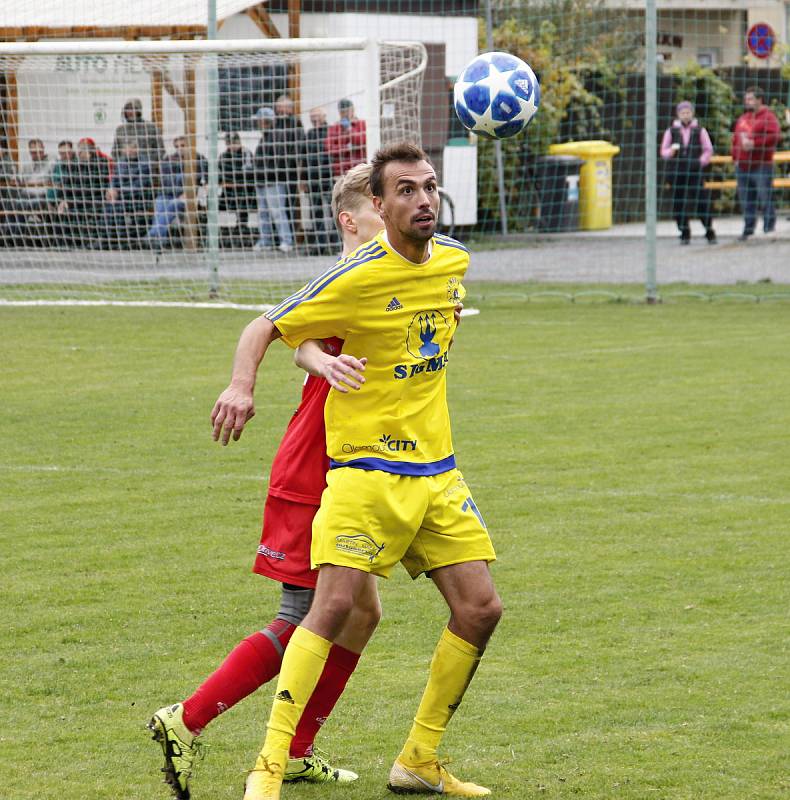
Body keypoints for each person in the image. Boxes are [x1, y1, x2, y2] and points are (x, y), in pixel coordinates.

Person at [211, 142, 500, 800]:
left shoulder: (456, 260)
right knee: (335, 604)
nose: (422, 199)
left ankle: (418, 760)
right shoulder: (358, 274)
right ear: (378, 204)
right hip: (364, 473)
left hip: (437, 473)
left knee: (481, 609)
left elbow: (432, 318)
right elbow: (270, 325)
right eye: (405, 190)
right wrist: (240, 386)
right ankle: (270, 766)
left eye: (429, 187)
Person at [148, 163, 386, 800]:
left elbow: (306, 338)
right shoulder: (342, 275)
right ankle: (185, 719)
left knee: (361, 613)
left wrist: (316, 353)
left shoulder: (385, 275)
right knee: (305, 616)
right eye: (381, 208)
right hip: (316, 468)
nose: (393, 218)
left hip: (358, 467)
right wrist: (242, 383)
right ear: (350, 220)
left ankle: (298, 748)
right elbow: (271, 326)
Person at [660, 101, 716, 245]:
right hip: (677, 171)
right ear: (678, 115)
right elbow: (663, 150)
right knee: (679, 203)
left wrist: (700, 161)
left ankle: (709, 229)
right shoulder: (671, 131)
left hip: (694, 170)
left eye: (688, 112)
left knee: (701, 201)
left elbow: (708, 149)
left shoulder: (700, 130)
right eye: (682, 113)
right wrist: (670, 152)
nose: (685, 115)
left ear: (692, 113)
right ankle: (684, 231)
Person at [732, 86, 781, 241]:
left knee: (765, 198)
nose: (747, 102)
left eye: (751, 99)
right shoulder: (743, 118)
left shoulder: (769, 117)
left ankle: (768, 228)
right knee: (746, 200)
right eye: (746, 99)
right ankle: (748, 229)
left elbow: (774, 137)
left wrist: (755, 143)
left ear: (760, 100)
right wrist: (735, 158)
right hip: (742, 166)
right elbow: (735, 139)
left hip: (761, 165)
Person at [145, 136, 208, 250]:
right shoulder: (168, 159)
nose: (180, 149)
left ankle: (153, 234)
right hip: (169, 193)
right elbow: (164, 181)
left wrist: (190, 191)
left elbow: (205, 179)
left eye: (183, 146)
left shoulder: (200, 159)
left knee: (173, 203)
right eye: (177, 146)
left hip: (188, 196)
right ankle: (159, 241)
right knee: (160, 203)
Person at [252, 106, 294, 253]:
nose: (258, 123)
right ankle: (265, 240)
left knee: (277, 212)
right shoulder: (264, 137)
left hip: (274, 181)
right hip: (261, 181)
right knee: (263, 213)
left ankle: (286, 241)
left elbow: (279, 160)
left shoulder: (277, 135)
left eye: (261, 121)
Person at [103, 138, 154, 248]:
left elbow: (140, 186)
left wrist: (118, 191)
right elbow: (114, 179)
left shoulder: (145, 163)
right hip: (120, 196)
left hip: (139, 198)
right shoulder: (121, 161)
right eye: (126, 149)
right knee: (108, 204)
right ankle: (108, 238)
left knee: (117, 205)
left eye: (131, 149)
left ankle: (120, 240)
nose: (129, 151)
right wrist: (110, 189)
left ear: (137, 149)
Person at [302, 107, 337, 255]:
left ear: (324, 116)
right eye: (312, 116)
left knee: (333, 210)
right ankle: (319, 244)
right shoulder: (309, 134)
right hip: (312, 178)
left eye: (317, 116)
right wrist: (303, 179)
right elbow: (304, 159)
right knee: (315, 211)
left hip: (329, 177)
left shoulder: (331, 131)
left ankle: (336, 244)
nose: (314, 119)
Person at [273, 94, 305, 233]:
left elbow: (299, 146)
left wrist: (294, 162)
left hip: (290, 169)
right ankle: (278, 234)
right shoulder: (274, 122)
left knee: (290, 201)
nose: (279, 109)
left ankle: (292, 233)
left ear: (289, 108)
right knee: (276, 203)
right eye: (278, 106)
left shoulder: (295, 122)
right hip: (275, 170)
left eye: (282, 106)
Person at [112, 98, 165, 179]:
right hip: (125, 168)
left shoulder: (151, 127)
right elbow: (114, 152)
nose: (130, 112)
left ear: (138, 110)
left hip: (145, 168)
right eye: (127, 109)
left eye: (133, 108)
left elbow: (161, 150)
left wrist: (151, 163)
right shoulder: (120, 129)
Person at [219, 131, 256, 240]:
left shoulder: (247, 153)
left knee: (242, 196)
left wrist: (235, 182)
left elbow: (249, 174)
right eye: (229, 143)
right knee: (210, 200)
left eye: (235, 142)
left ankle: (241, 227)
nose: (232, 146)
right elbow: (219, 174)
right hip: (228, 191)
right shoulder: (223, 156)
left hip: (245, 191)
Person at [326, 99, 366, 178]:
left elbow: (362, 141)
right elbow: (329, 148)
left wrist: (350, 129)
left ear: (353, 110)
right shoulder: (334, 127)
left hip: (359, 169)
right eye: (342, 112)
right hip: (341, 171)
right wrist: (347, 147)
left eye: (347, 111)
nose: (345, 114)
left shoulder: (361, 124)